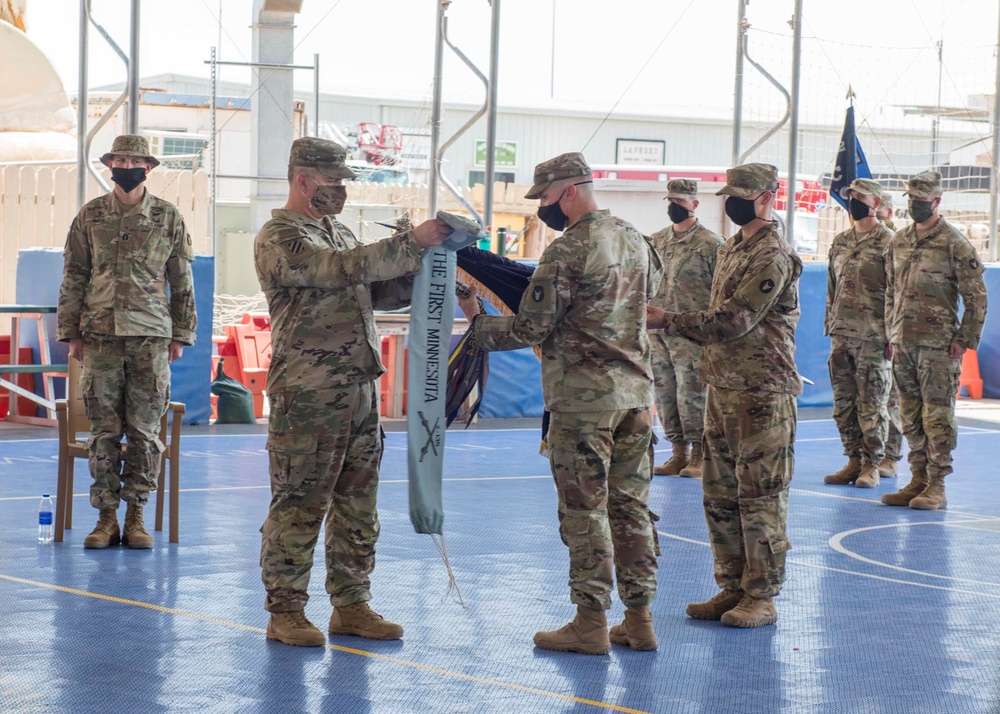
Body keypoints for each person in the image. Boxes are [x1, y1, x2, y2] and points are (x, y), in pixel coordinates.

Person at [457, 152, 662, 655]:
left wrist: (477, 322)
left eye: (545, 197)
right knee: (631, 509)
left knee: (584, 512)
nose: (542, 208)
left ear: (569, 190)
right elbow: (647, 303)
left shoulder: (568, 250)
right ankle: (639, 619)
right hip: (635, 397)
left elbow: (532, 326)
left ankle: (590, 622)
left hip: (583, 402)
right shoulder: (637, 239)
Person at [256, 137, 450, 647]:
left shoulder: (336, 230)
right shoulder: (281, 236)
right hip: (310, 392)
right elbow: (337, 270)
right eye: (334, 181)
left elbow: (375, 287)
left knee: (357, 503)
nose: (342, 190)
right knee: (300, 501)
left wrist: (429, 270)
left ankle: (352, 604)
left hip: (360, 388)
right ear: (304, 180)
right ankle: (286, 612)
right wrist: (413, 243)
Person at [647, 163, 802, 629]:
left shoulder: (773, 255)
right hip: (723, 384)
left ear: (767, 197)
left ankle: (761, 596)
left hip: (763, 391)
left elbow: (734, 320)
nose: (731, 202)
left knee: (760, 497)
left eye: (742, 195)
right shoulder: (733, 246)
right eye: (729, 194)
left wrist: (667, 320)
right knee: (720, 495)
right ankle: (731, 586)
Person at [56, 134, 197, 550]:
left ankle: (136, 516)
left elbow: (181, 281)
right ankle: (105, 520)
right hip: (98, 336)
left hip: (152, 338)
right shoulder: (91, 216)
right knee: (103, 430)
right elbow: (74, 275)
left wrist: (182, 334)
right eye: (119, 158)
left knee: (144, 431)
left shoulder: (168, 218)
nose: (126, 165)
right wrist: (72, 332)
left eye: (134, 159)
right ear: (110, 165)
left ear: (148, 166)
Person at [881, 171, 987, 510]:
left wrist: (964, 339)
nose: (914, 206)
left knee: (937, 417)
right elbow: (890, 292)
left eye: (921, 202)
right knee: (909, 415)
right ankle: (917, 479)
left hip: (939, 346)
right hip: (904, 344)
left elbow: (977, 297)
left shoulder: (955, 243)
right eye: (910, 200)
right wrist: (890, 333)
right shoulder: (899, 240)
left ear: (937, 202)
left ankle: (937, 486)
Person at [822, 179, 895, 489]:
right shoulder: (840, 241)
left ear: (875, 203)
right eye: (850, 196)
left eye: (859, 197)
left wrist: (893, 335)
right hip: (842, 334)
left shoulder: (890, 242)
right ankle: (852, 460)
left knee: (873, 404)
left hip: (874, 336)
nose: (853, 201)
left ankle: (872, 465)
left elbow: (897, 291)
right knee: (844, 404)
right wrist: (830, 324)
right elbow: (831, 286)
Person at [649, 179, 723, 478]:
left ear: (694, 204)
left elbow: (721, 290)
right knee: (664, 393)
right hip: (657, 333)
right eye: (671, 201)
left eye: (681, 202)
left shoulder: (711, 244)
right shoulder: (656, 241)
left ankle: (699, 454)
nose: (674, 206)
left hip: (691, 332)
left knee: (692, 394)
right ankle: (678, 452)